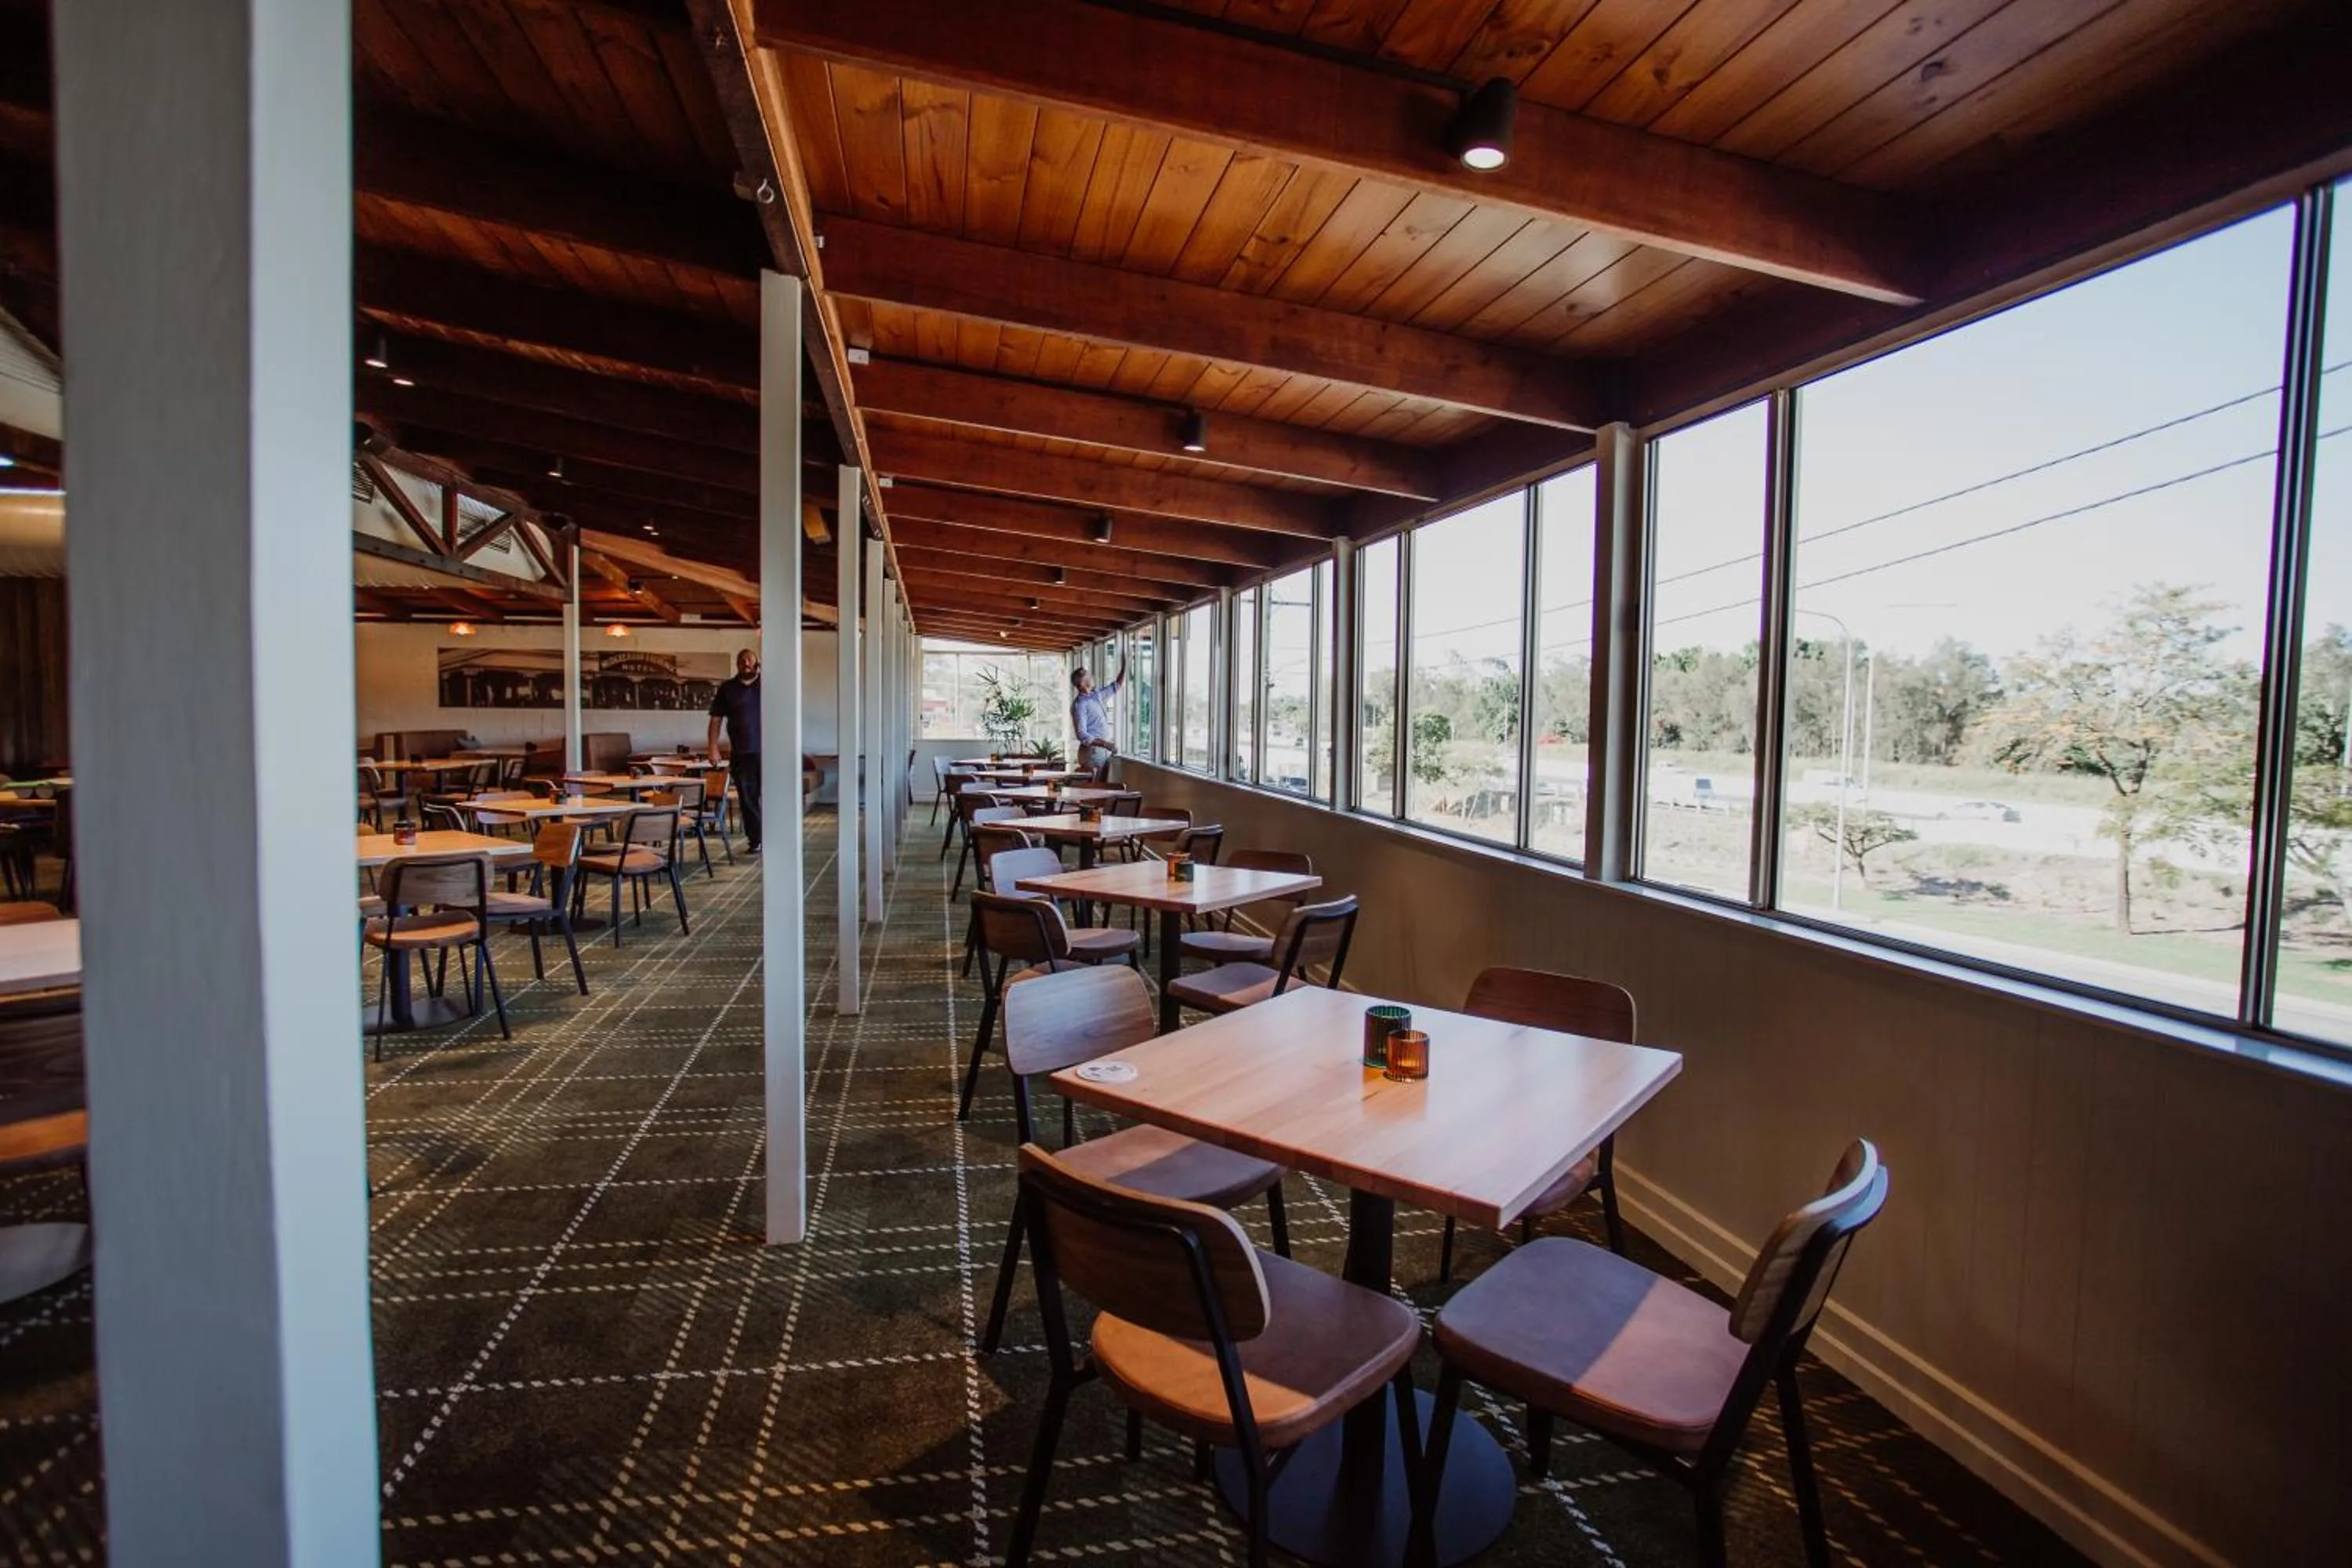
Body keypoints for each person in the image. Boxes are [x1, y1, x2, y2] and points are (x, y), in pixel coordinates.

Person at [706, 648, 763, 854]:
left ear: (757, 662)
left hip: (770, 753)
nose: (745, 662)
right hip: (742, 753)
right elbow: (715, 720)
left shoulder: (768, 685)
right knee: (747, 799)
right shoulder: (727, 689)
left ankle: (778, 837)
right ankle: (756, 839)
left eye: (749, 659)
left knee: (775, 797)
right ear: (737, 665)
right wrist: (713, 748)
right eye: (741, 660)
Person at [1069, 657, 1124, 778]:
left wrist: (1125, 666)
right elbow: (1082, 735)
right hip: (1092, 754)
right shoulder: (1080, 705)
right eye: (1089, 676)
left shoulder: (1096, 695)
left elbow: (1116, 686)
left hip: (1102, 752)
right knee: (1092, 791)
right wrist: (1105, 744)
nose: (1092, 677)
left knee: (1100, 788)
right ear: (1083, 683)